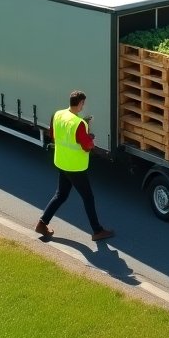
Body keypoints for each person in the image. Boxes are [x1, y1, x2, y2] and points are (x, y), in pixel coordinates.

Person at [35, 90, 114, 242]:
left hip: (62, 162)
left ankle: (42, 223)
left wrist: (83, 134)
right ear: (79, 103)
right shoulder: (79, 124)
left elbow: (54, 134)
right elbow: (87, 146)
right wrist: (90, 137)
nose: (83, 106)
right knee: (88, 197)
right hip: (74, 167)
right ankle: (97, 231)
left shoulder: (58, 114)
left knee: (61, 195)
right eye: (83, 103)